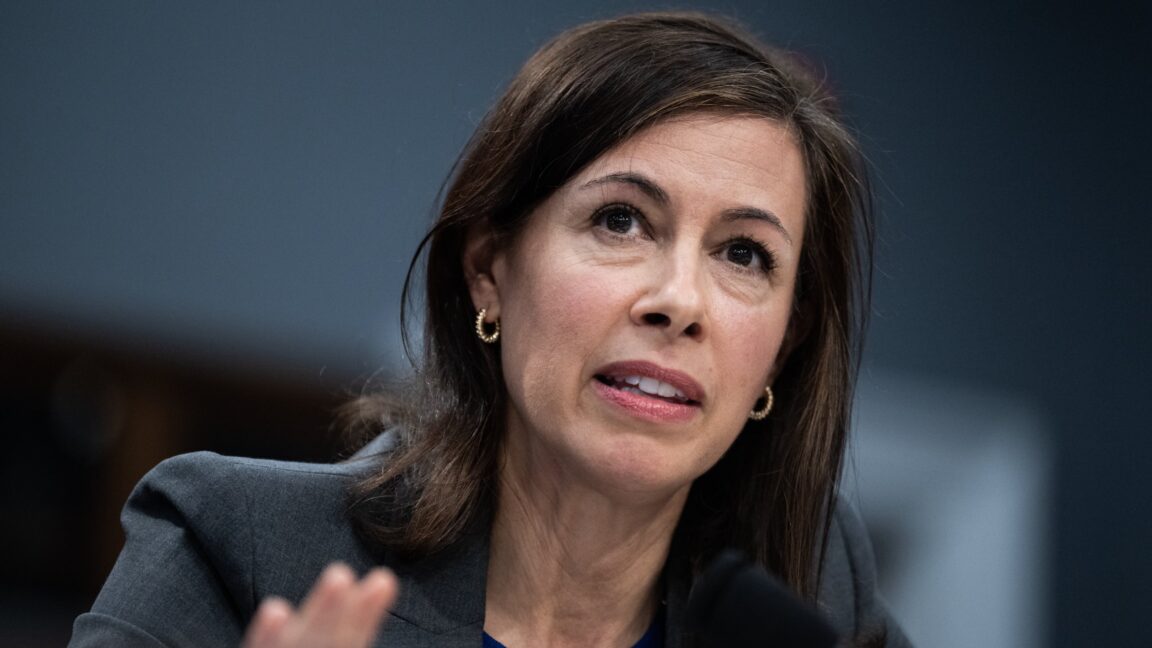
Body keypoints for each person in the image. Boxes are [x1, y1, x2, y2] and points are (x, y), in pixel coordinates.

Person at [71, 11, 911, 648]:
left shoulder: (811, 591)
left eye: (744, 253)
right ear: (489, 270)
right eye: (621, 221)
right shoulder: (236, 552)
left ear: (785, 346)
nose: (680, 300)